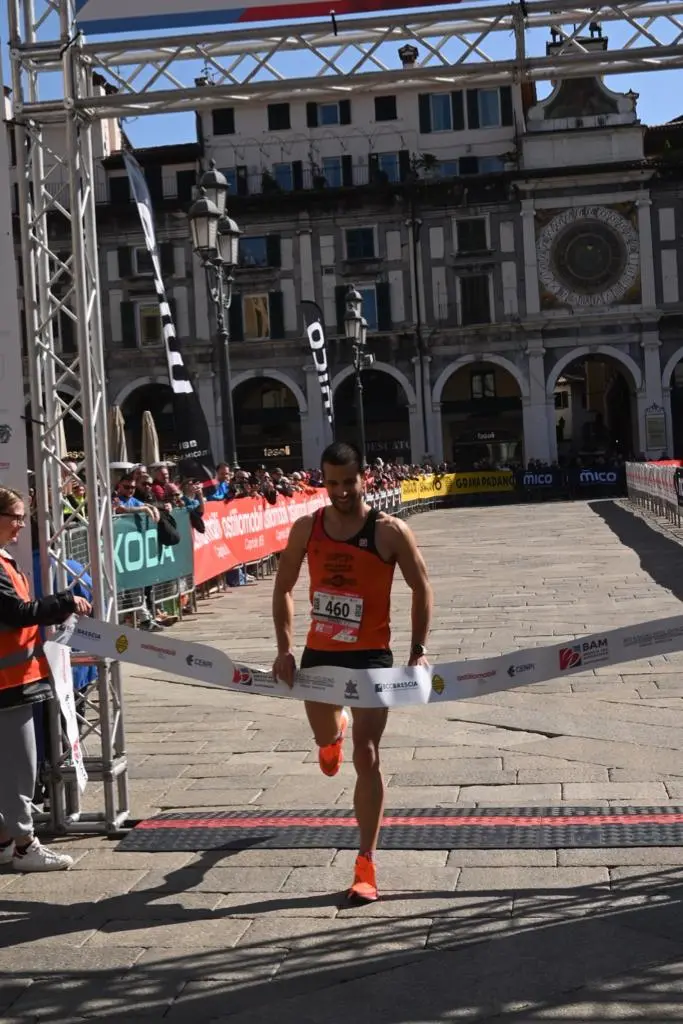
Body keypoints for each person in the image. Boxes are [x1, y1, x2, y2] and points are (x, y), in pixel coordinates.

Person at [272, 441, 433, 903]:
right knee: (327, 744)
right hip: (320, 656)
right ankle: (331, 736)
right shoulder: (307, 528)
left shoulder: (389, 531)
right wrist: (284, 649)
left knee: (368, 756)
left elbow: (421, 588)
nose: (340, 491)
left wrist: (417, 650)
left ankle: (366, 862)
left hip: (370, 659)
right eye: (332, 482)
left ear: (365, 477)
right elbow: (282, 588)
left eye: (349, 481)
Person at [0, 486, 92, 871]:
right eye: (16, 516)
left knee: (10, 768)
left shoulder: (5, 560)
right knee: (20, 767)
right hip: (8, 686)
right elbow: (17, 612)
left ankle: (6, 841)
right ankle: (25, 846)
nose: (22, 523)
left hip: (13, 681)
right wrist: (65, 602)